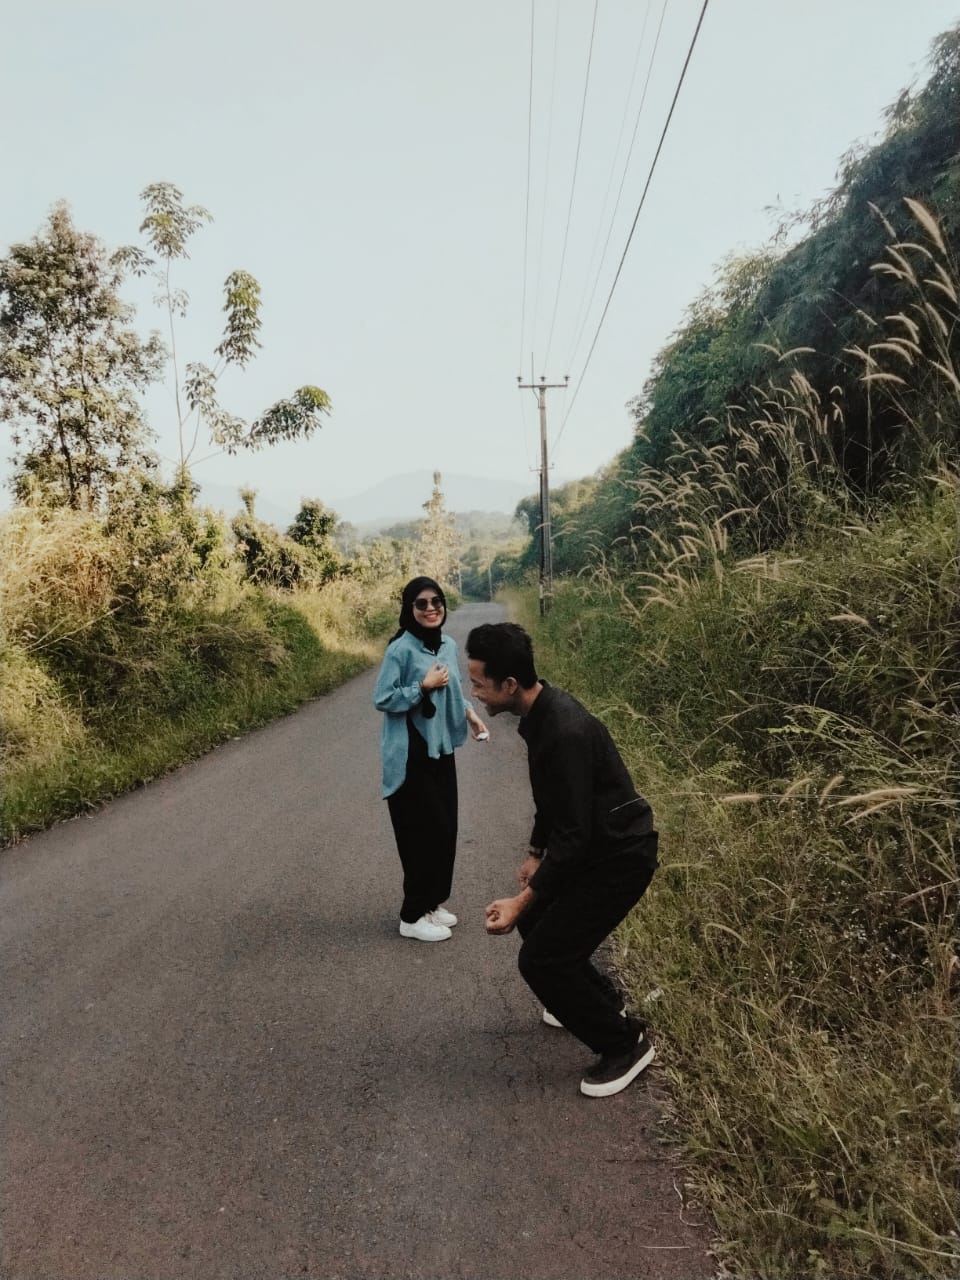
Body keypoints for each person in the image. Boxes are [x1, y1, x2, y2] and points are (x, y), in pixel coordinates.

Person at [465, 622, 659, 1098]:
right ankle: (602, 1001)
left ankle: (625, 1044)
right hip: (597, 848)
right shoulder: (540, 713)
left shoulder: (564, 729)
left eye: (479, 684)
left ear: (510, 685)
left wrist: (520, 899)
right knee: (540, 924)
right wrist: (535, 854)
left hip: (620, 857)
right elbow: (552, 802)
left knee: (540, 960)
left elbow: (573, 838)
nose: (475, 692)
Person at [374, 577, 488, 942]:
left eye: (436, 601)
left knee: (444, 830)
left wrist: (470, 715)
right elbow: (382, 698)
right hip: (411, 755)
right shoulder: (400, 650)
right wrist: (421, 687)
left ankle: (431, 903)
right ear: (409, 609)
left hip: (441, 750)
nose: (430, 609)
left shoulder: (448, 645)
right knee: (420, 834)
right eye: (421, 603)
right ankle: (411, 916)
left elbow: (453, 690)